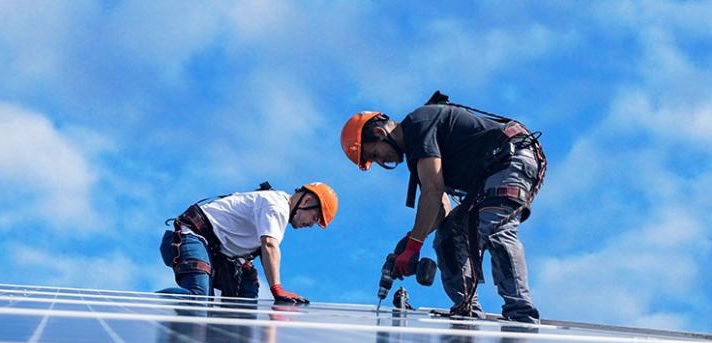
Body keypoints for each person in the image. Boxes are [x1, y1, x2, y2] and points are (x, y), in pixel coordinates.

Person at [340, 92, 546, 323]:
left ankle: (521, 312)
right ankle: (467, 308)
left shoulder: (418, 124)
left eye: (374, 154)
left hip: (512, 157)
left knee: (495, 228)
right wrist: (411, 239)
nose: (381, 161)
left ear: (380, 133)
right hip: (490, 175)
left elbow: (433, 190)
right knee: (448, 234)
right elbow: (440, 209)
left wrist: (414, 245)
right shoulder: (417, 153)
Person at [158, 182, 337, 304]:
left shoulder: (275, 207)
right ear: (306, 201)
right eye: (315, 218)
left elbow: (262, 250)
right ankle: (142, 309)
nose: (311, 225)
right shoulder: (277, 206)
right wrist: (277, 289)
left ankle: (225, 339)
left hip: (214, 249)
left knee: (244, 297)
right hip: (191, 236)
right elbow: (269, 245)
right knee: (198, 298)